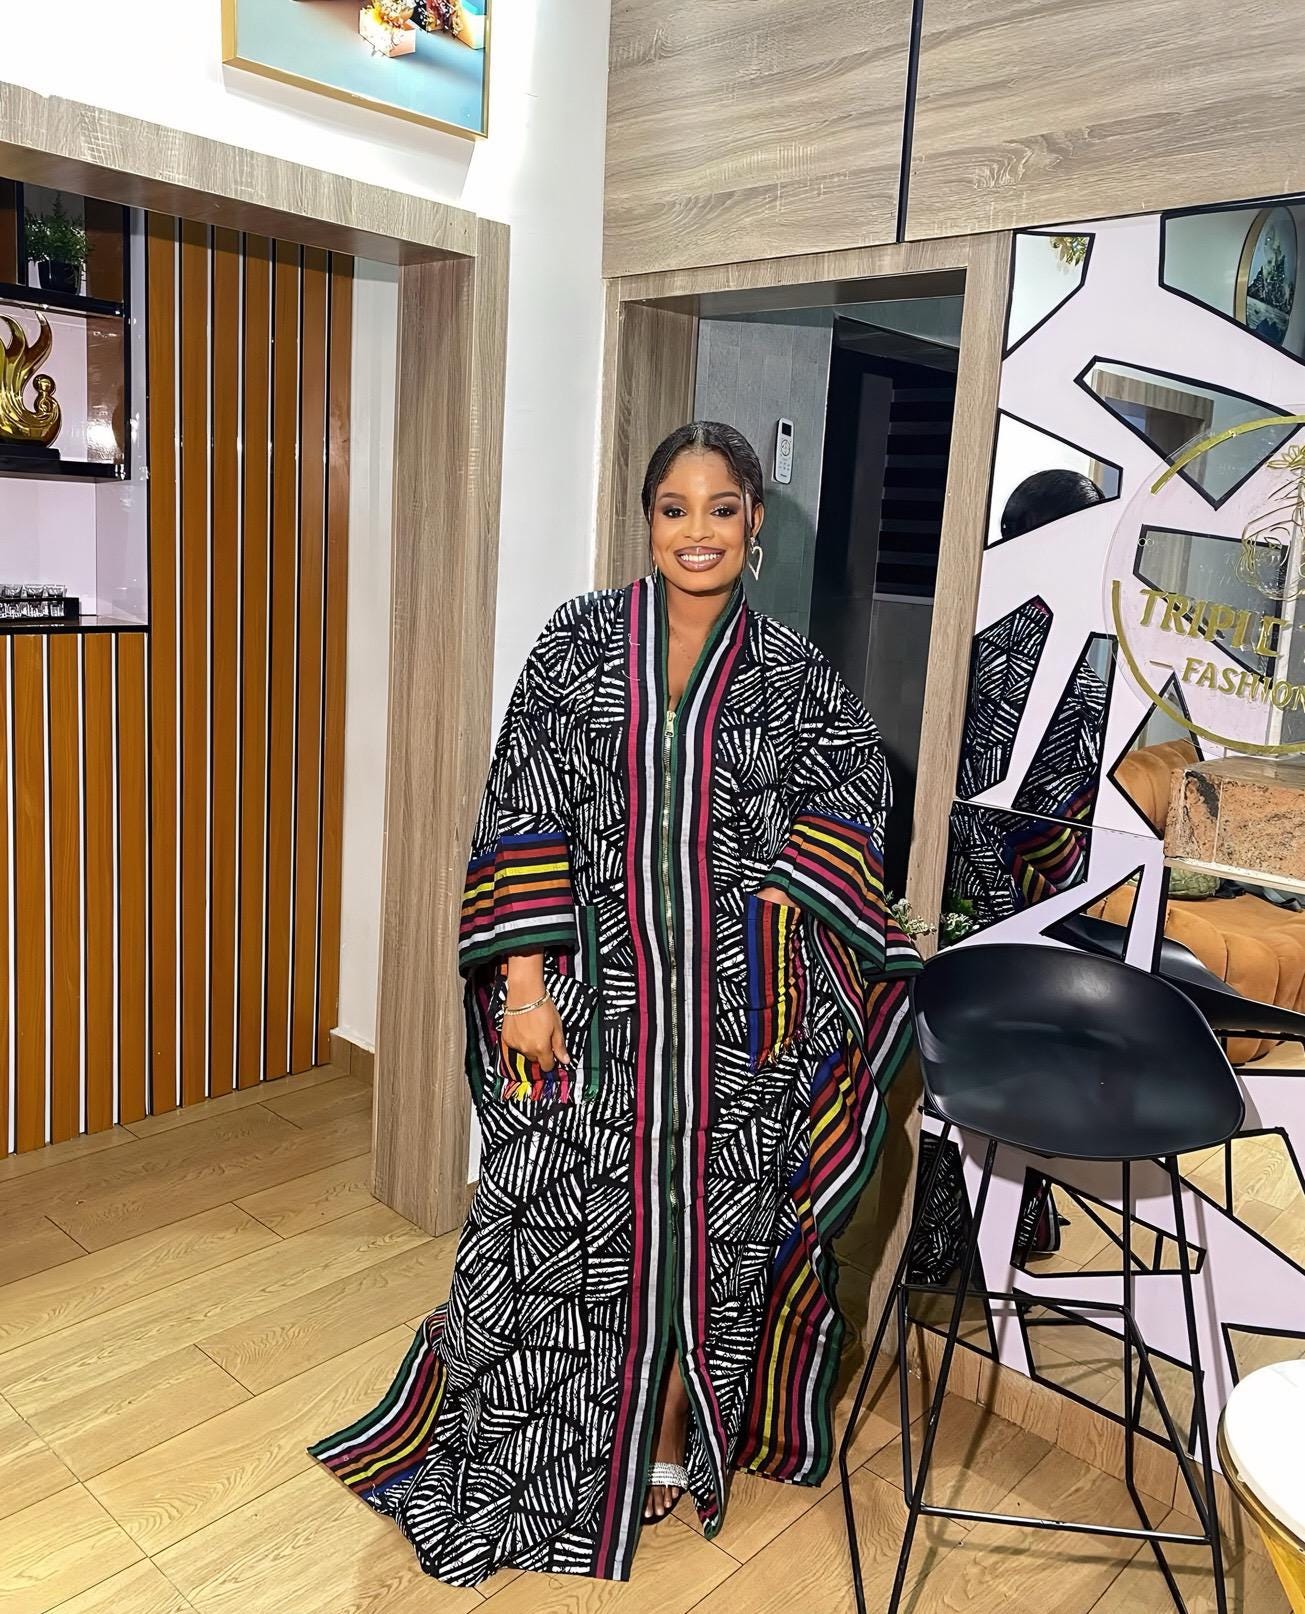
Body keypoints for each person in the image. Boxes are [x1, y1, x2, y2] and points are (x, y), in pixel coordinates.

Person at [310, 421, 921, 1587]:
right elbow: (523, 807)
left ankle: (670, 1439)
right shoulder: (579, 644)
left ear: (754, 521)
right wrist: (523, 988)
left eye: (722, 508)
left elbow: (854, 794)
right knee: (552, 1231)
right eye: (674, 509)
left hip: (737, 1029)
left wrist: (784, 909)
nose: (698, 531)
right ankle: (543, 1455)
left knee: (713, 1242)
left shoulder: (791, 672)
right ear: (647, 522)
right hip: (591, 1014)